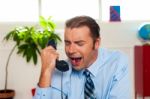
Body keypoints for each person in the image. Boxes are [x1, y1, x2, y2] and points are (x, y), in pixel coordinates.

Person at [33, 16, 131, 99]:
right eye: (67, 43)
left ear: (96, 43)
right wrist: (46, 71)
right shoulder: (62, 71)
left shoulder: (117, 63)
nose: (71, 50)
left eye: (79, 44)